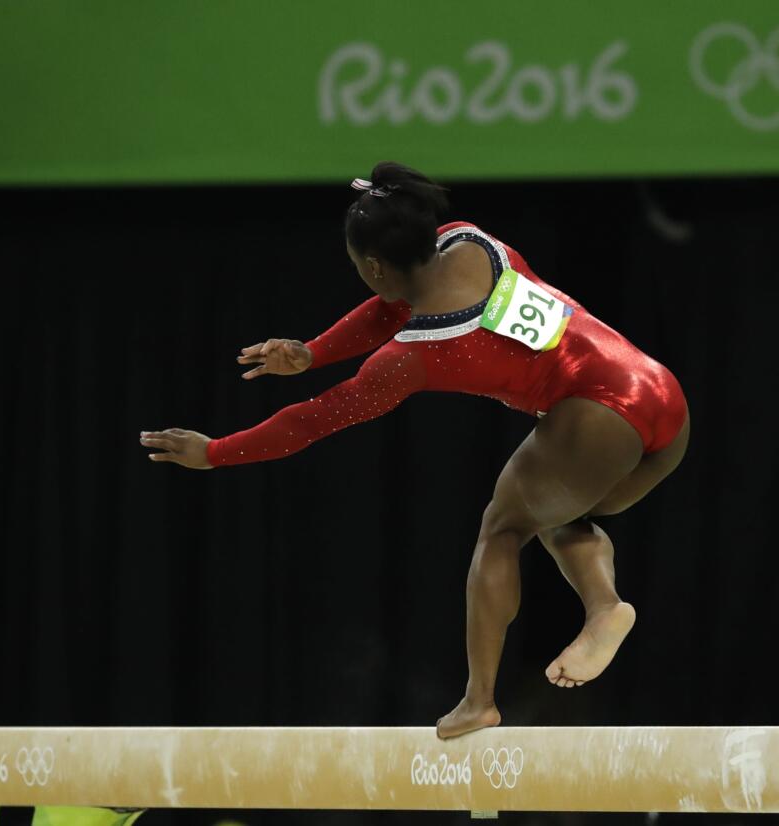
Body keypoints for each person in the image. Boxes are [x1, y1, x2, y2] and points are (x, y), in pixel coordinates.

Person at [140, 162, 689, 739]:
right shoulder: (470, 240)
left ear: (373, 265)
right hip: (662, 399)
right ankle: (603, 607)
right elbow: (393, 304)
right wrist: (311, 353)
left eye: (358, 266)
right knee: (558, 515)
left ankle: (482, 699)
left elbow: (312, 420)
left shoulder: (412, 356)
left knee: (503, 528)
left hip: (598, 418)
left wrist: (217, 452)